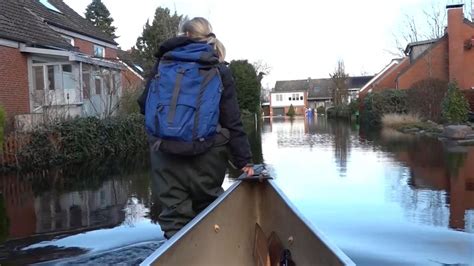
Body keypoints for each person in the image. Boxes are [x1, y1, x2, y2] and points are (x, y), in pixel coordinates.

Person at [138, 17, 254, 239]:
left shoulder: (163, 63)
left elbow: (145, 105)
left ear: (185, 35)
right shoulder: (218, 68)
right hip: (207, 156)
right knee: (209, 214)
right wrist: (245, 162)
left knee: (174, 221)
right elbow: (232, 121)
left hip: (165, 155)